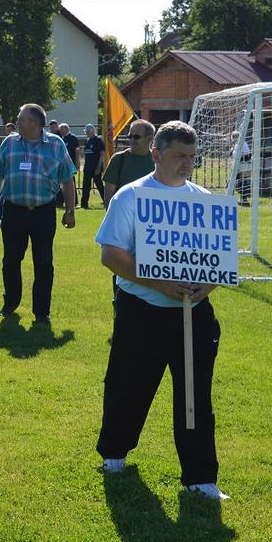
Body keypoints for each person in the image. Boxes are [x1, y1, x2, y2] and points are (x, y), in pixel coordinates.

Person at [94, 120, 228, 501]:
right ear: (156, 153)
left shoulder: (204, 199)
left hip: (193, 313)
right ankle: (115, 453)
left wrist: (206, 286)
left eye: (192, 156)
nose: (187, 163)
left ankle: (200, 477)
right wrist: (160, 284)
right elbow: (111, 255)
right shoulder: (130, 197)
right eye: (179, 155)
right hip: (141, 311)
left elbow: (218, 258)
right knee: (129, 387)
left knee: (195, 395)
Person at [0, 103, 76, 324]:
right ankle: (11, 302)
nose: (17, 122)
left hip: (43, 211)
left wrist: (70, 210)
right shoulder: (9, 143)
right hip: (13, 210)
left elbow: (67, 179)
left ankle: (42, 311)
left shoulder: (56, 144)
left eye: (21, 119)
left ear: (35, 123)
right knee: (11, 260)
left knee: (43, 261)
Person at [103, 120, 155, 207]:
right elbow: (109, 195)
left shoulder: (159, 161)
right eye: (130, 136)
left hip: (150, 213)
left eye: (136, 137)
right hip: (124, 212)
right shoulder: (118, 159)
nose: (132, 140)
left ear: (150, 138)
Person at [81, 124, 106, 209]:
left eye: (88, 131)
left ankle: (106, 200)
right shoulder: (87, 140)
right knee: (85, 186)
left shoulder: (98, 140)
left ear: (92, 131)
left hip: (95, 167)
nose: (87, 133)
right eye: (86, 132)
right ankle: (84, 204)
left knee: (99, 185)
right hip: (87, 167)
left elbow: (102, 154)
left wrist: (99, 167)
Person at [58, 123, 80, 208]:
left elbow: (77, 151)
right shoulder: (62, 138)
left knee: (71, 183)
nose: (61, 131)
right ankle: (61, 201)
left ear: (67, 129)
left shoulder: (72, 138)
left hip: (70, 164)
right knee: (62, 183)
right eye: (60, 129)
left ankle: (74, 202)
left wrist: (77, 163)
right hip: (62, 164)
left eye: (62, 129)